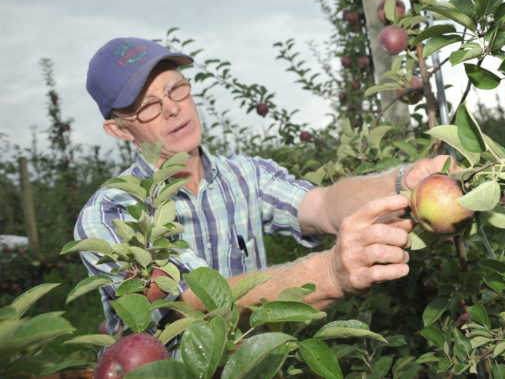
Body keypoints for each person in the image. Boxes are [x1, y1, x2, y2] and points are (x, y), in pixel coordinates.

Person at [76, 37, 453, 336]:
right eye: (148, 106)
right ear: (120, 129)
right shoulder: (113, 213)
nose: (173, 109)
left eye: (176, 89)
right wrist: (331, 273)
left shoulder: (247, 176)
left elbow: (321, 205)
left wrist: (404, 180)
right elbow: (191, 303)